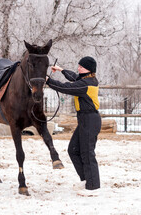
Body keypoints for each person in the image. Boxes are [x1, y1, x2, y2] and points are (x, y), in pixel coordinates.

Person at [46, 56, 101, 196]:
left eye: (81, 67)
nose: (79, 68)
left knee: (87, 153)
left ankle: (93, 187)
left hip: (90, 120)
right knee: (73, 149)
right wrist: (61, 70)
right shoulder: (84, 80)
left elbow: (66, 87)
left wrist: (47, 80)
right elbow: (74, 77)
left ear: (88, 69)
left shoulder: (86, 84)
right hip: (84, 120)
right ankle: (86, 180)